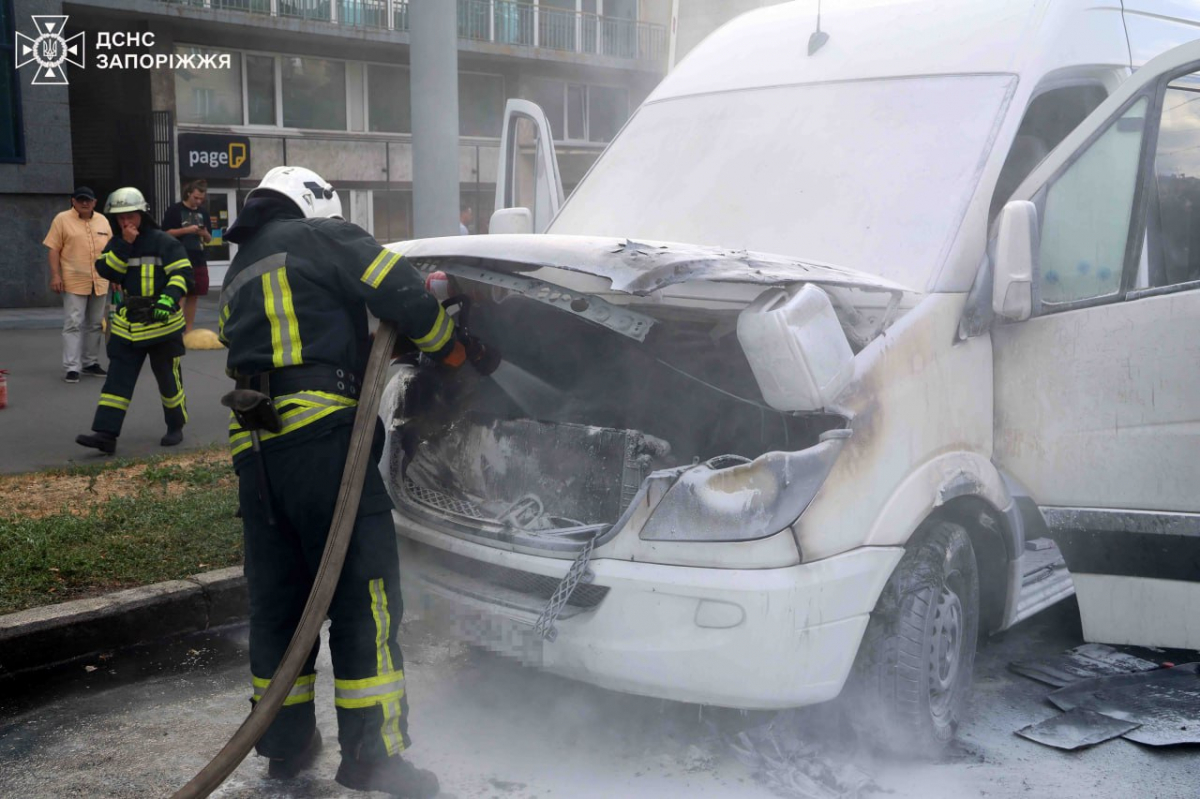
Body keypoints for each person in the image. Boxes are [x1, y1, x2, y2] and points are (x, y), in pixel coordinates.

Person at [218, 166, 477, 797]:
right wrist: (453, 352)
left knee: (280, 604)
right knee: (366, 599)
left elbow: (297, 337)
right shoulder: (322, 235)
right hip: (325, 440)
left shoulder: (242, 267)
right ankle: (374, 755)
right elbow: (403, 289)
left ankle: (283, 747)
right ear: (314, 204)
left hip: (256, 451)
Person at [75, 187, 193, 455]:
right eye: (119, 218)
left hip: (163, 325)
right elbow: (107, 271)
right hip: (129, 327)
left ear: (141, 214)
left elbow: (182, 275)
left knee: (168, 381)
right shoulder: (117, 243)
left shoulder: (164, 241)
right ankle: (106, 435)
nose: (125, 222)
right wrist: (125, 243)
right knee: (117, 382)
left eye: (130, 216)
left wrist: (168, 300)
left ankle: (175, 426)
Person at [43, 186, 113, 383]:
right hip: (74, 280)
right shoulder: (62, 219)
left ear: (94, 202)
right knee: (73, 323)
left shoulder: (103, 220)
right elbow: (53, 249)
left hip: (100, 280)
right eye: (80, 199)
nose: (84, 203)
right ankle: (72, 367)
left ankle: (90, 363)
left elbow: (111, 250)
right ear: (73, 201)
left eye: (88, 200)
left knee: (95, 323)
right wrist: (56, 275)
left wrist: (115, 277)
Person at [162, 179, 213, 332]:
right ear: (188, 193)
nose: (198, 201)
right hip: (178, 258)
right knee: (180, 294)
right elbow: (165, 233)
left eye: (201, 199)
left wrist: (204, 233)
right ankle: (175, 330)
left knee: (194, 295)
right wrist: (186, 230)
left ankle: (188, 330)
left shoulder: (203, 212)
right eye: (195, 197)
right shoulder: (174, 210)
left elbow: (209, 239)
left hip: (198, 258)